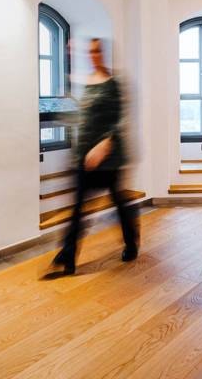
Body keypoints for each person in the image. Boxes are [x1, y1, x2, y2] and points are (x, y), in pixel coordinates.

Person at [49, 38, 139, 276]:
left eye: (97, 50)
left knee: (119, 203)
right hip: (85, 157)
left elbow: (120, 120)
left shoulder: (114, 84)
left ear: (104, 53)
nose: (93, 55)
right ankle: (68, 257)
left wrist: (105, 144)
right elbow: (81, 116)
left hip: (108, 159)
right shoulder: (87, 82)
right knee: (78, 207)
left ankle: (131, 242)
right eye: (90, 51)